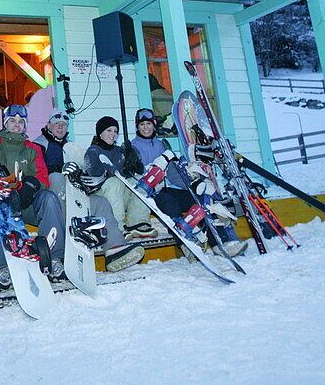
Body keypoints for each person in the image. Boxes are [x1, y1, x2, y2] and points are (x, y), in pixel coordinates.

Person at [31, 112, 145, 272]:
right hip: (53, 200)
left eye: (64, 125)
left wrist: (81, 176)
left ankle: (114, 249)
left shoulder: (71, 146)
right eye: (57, 124)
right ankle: (68, 237)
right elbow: (38, 173)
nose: (60, 127)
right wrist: (59, 171)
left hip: (73, 194)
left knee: (101, 202)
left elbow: (86, 169)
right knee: (56, 178)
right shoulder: (37, 145)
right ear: (48, 125)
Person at [0, 105, 66, 292]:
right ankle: (3, 268)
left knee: (48, 198)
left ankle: (54, 257)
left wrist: (29, 187)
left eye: (21, 122)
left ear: (25, 125)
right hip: (2, 208)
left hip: (26, 204)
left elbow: (43, 178)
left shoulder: (33, 148)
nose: (16, 125)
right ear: (5, 123)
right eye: (12, 121)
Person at [131, 107, 247, 258]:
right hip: (152, 194)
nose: (146, 128)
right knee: (169, 203)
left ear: (154, 125)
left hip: (168, 188)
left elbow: (173, 173)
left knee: (200, 201)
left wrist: (190, 185)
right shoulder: (133, 147)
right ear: (137, 126)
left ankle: (220, 243)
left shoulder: (162, 145)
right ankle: (187, 245)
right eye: (142, 124)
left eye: (148, 123)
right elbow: (136, 175)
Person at [84, 117, 157, 240]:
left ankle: (138, 222)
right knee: (114, 182)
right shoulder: (93, 151)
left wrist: (133, 161)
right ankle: (116, 226)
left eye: (115, 131)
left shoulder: (119, 151)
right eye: (109, 130)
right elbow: (94, 174)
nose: (113, 134)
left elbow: (131, 173)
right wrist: (109, 170)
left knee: (140, 181)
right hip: (101, 196)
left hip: (118, 195)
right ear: (100, 133)